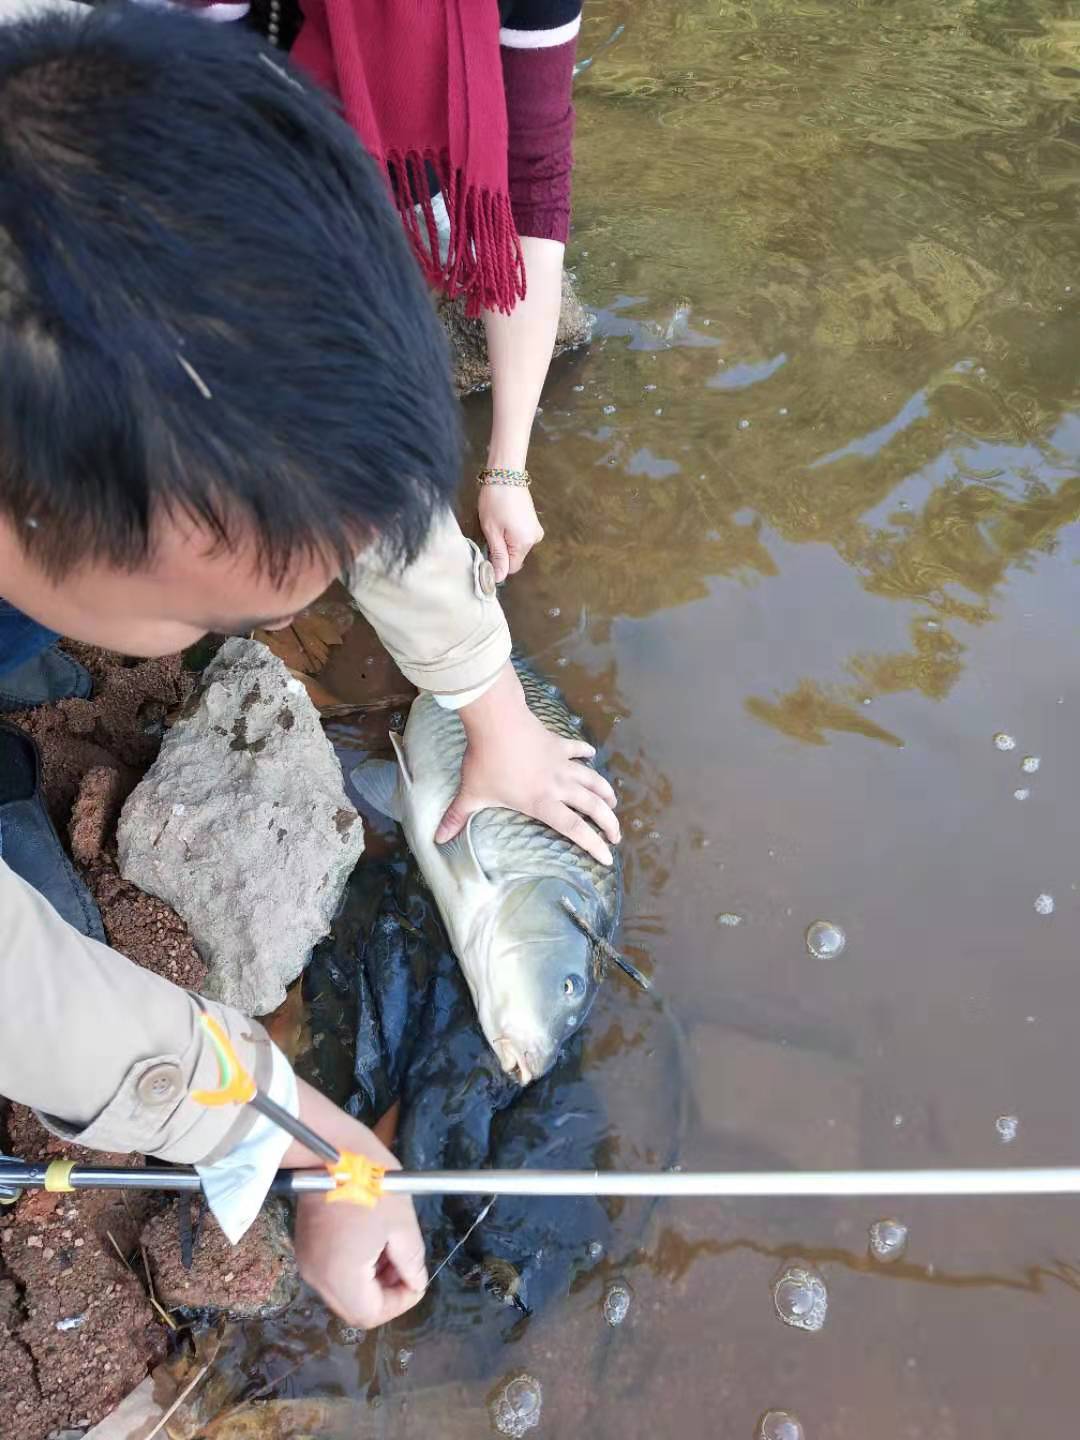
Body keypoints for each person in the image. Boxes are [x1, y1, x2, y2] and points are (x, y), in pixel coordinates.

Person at [0, 4, 617, 1329]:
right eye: (197, 618)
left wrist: (489, 704)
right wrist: (307, 1132)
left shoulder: (98, 140)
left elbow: (354, 487)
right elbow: (23, 992)